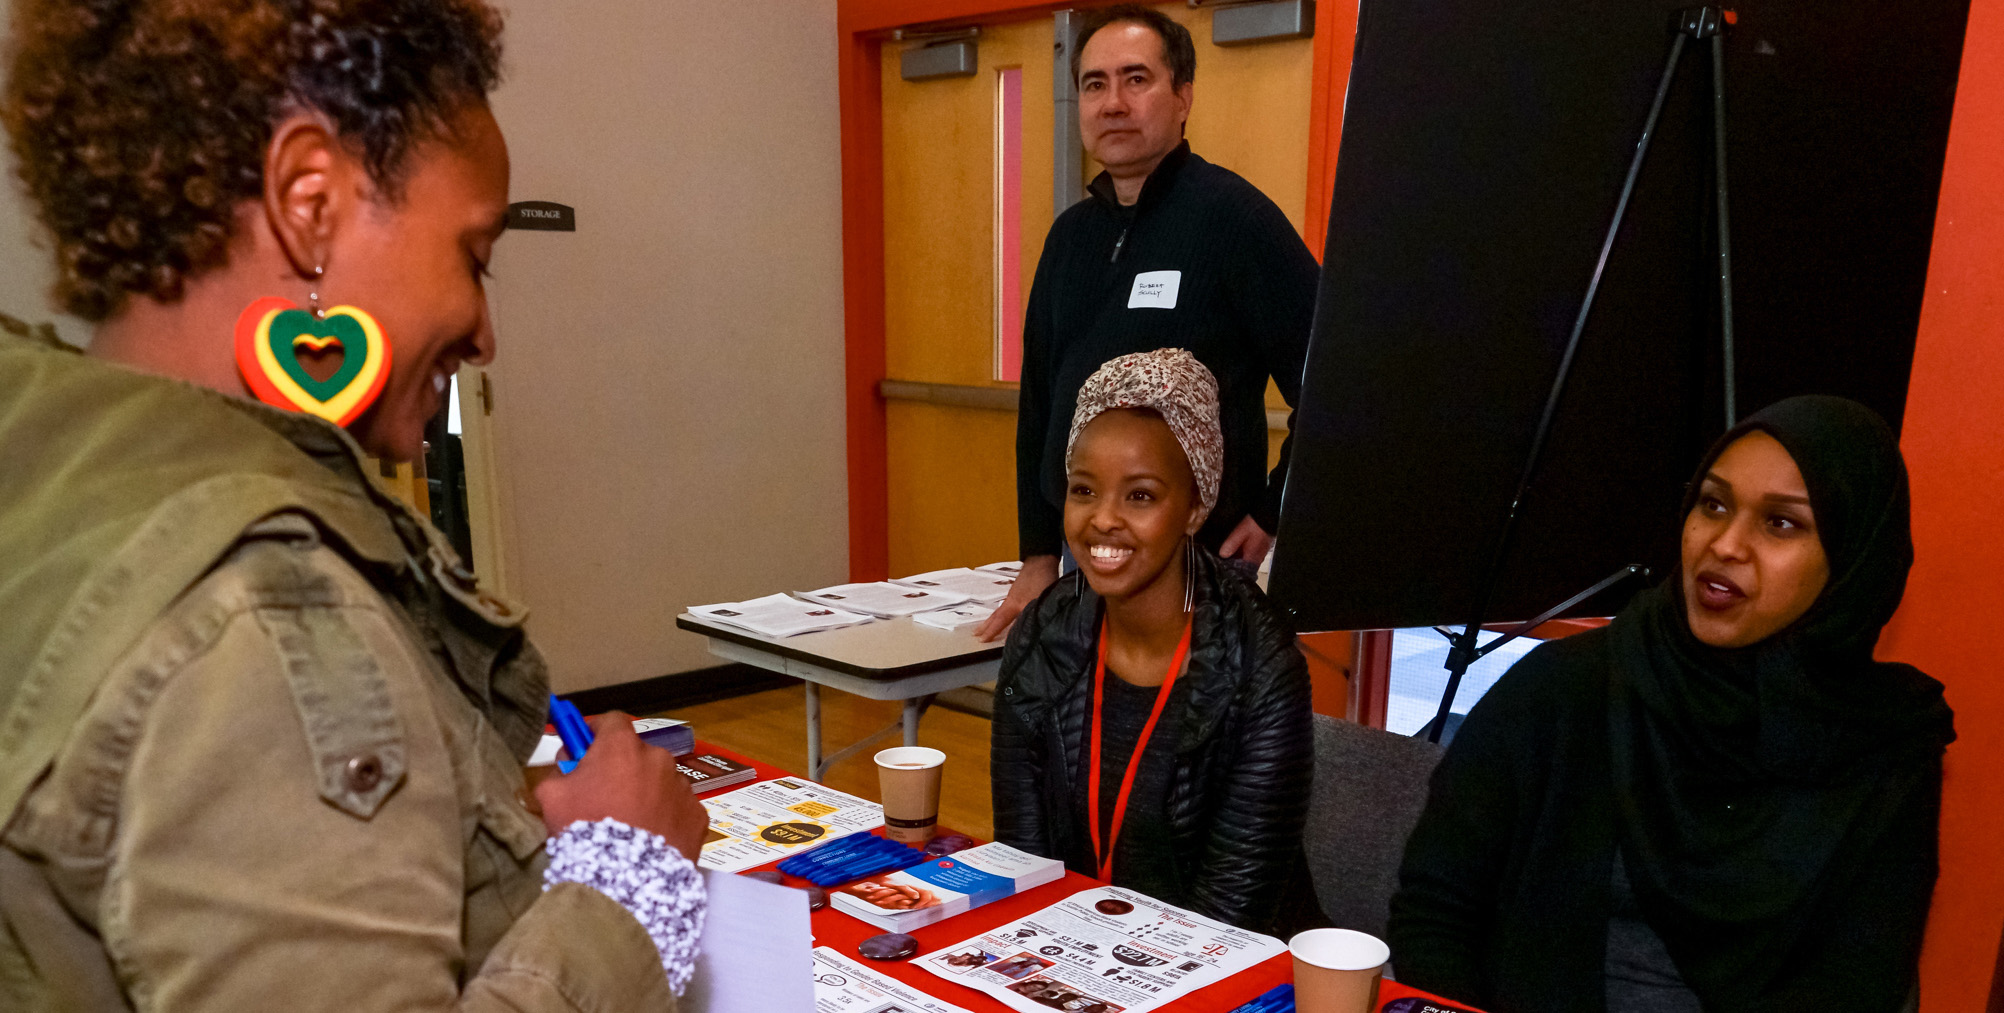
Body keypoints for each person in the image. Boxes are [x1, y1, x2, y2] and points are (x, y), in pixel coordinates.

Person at [0, 1, 712, 1009]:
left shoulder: (58, 474)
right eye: (474, 255)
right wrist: (626, 882)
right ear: (311, 202)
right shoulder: (263, 624)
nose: (484, 332)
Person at [1389, 396, 1956, 1012]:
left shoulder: (1883, 743)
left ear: (1850, 562)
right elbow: (1436, 913)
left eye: (1781, 523)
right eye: (1713, 505)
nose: (1727, 545)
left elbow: (1855, 985)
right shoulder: (1564, 690)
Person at [978, 4, 1320, 642]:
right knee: (1086, 734)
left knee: (1181, 736)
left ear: (1183, 96)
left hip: (1200, 567)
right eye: (1095, 83)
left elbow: (1335, 379)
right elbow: (1041, 405)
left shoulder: (1234, 220)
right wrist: (1037, 555)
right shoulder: (1069, 238)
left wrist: (1276, 510)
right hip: (1088, 562)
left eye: (1136, 80)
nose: (1113, 103)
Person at [990, 349, 1315, 935]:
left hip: (1232, 970)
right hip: (1075, 955)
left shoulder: (1260, 664)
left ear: (1195, 507)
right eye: (1084, 490)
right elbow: (1021, 861)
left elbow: (1231, 914)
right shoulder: (1042, 634)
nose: (1103, 520)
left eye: (1139, 496)